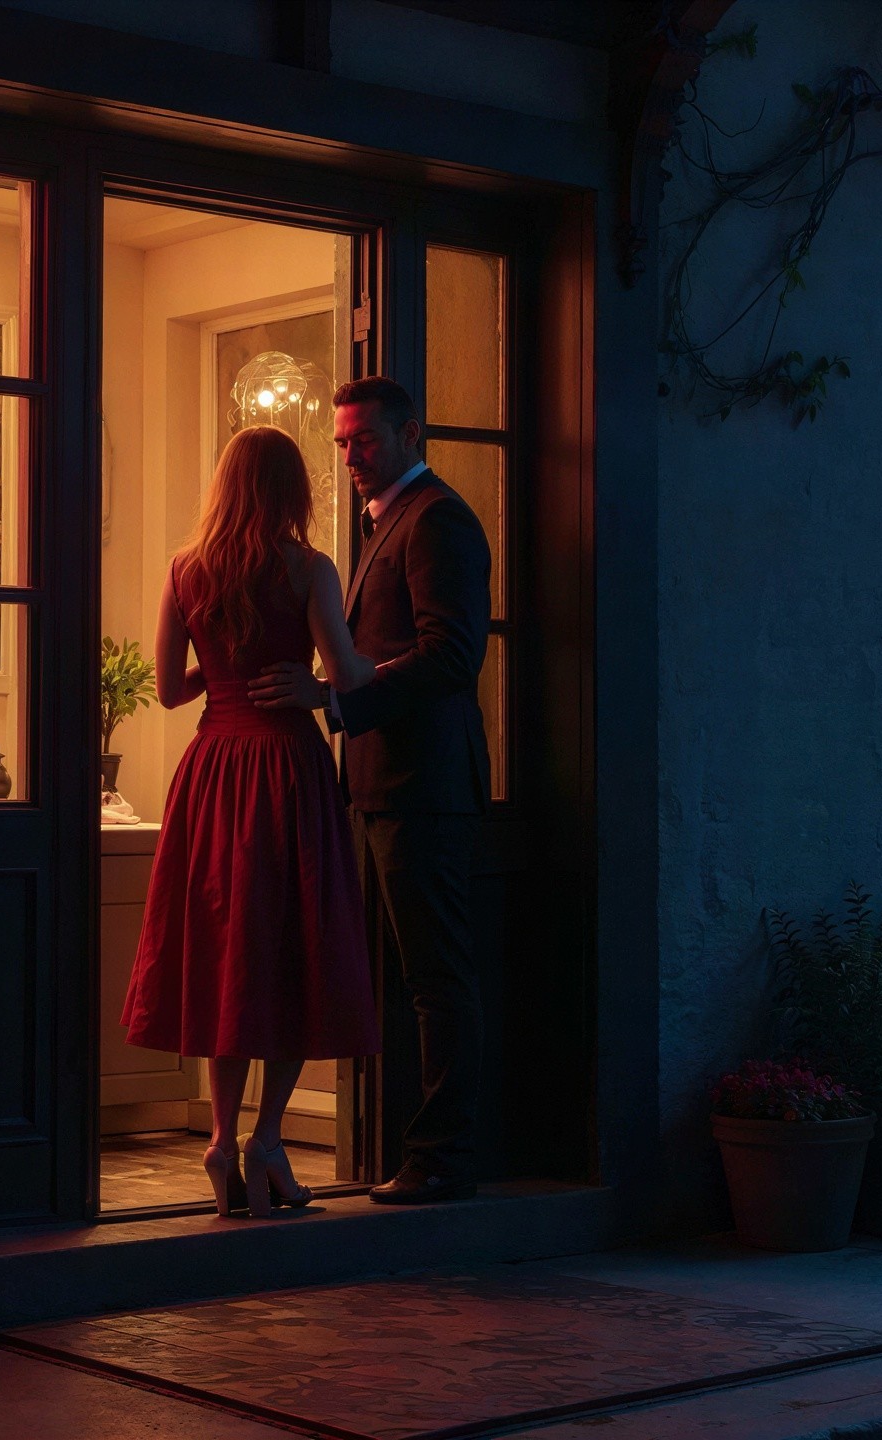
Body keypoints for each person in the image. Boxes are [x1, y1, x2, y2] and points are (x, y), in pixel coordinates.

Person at [121, 426, 381, 1220]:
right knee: (296, 949)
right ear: (293, 489)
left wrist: (221, 669)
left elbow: (167, 690)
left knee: (229, 953)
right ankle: (271, 1138)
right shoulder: (310, 568)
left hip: (214, 769)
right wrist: (347, 669)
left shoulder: (184, 569)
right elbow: (345, 674)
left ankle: (219, 1139)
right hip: (286, 768)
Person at [250, 376, 491, 1206]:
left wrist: (336, 695)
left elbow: (454, 657)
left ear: (409, 433)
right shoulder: (389, 522)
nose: (351, 456)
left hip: (423, 784)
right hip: (383, 782)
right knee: (412, 977)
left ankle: (443, 1160)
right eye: (343, 442)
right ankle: (421, 1152)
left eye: (366, 440)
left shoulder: (439, 521)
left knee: (436, 975)